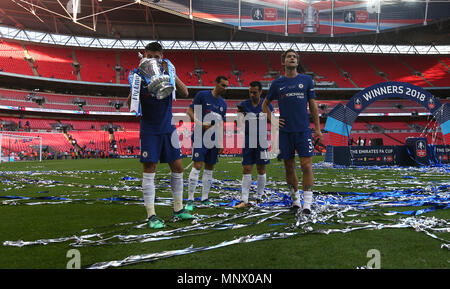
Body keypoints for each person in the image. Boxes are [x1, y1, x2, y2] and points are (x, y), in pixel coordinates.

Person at [127, 42, 194, 229]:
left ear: (161, 57)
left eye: (157, 56)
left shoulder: (168, 71)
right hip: (149, 128)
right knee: (150, 169)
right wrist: (139, 84)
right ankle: (151, 215)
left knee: (178, 167)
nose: (153, 60)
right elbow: (130, 104)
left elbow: (185, 91)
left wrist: (171, 73)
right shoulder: (137, 75)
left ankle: (178, 209)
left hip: (168, 127)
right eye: (149, 56)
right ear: (144, 56)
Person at [262, 49, 323, 214]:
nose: (292, 58)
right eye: (289, 56)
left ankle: (308, 204)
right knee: (289, 167)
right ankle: (296, 201)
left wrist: (317, 128)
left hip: (303, 131)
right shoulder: (277, 84)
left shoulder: (306, 80)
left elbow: (313, 105)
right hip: (285, 132)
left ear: (297, 61)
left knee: (306, 165)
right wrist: (273, 119)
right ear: (283, 62)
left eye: (295, 57)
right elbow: (264, 105)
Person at [185, 76, 228, 211]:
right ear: (215, 83)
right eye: (222, 85)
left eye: (226, 86)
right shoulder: (202, 95)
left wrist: (221, 142)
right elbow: (189, 111)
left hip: (214, 139)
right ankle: (190, 200)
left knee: (209, 168)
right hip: (199, 135)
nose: (225, 88)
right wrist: (200, 124)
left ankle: (205, 198)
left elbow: (221, 124)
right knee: (197, 165)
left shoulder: (223, 104)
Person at [234, 81, 273, 208]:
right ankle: (244, 199)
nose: (252, 94)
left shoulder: (265, 104)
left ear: (260, 92)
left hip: (262, 140)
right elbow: (238, 123)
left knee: (261, 169)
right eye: (250, 92)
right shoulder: (244, 105)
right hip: (248, 139)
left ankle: (259, 197)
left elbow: (271, 119)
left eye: (254, 92)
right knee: (246, 168)